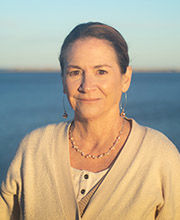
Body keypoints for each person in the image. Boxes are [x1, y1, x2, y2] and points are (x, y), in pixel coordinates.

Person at [0, 22, 180, 220]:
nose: (87, 85)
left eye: (101, 71)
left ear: (125, 78)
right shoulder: (33, 148)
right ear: (63, 80)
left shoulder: (161, 157)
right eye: (75, 72)